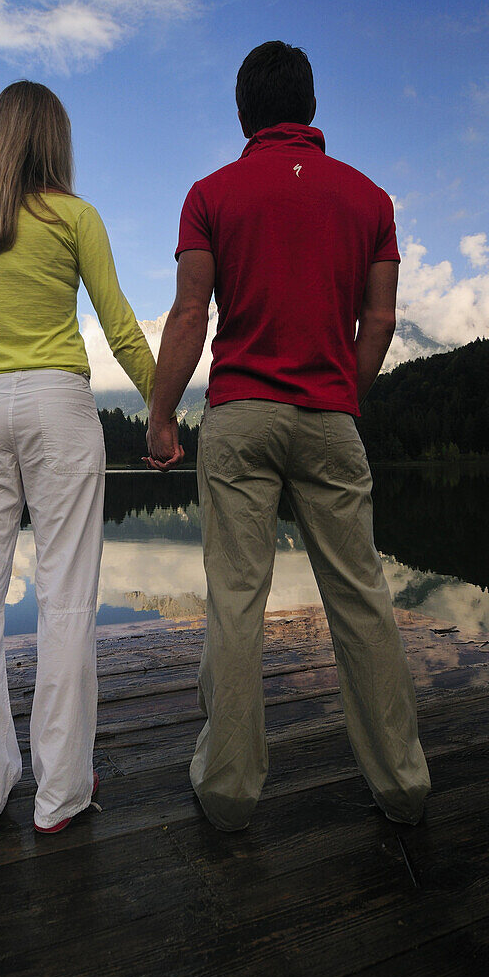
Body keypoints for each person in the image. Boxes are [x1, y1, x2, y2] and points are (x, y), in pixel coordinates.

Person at [146, 41, 431, 832]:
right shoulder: (370, 200)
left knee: (237, 600)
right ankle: (402, 784)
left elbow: (190, 315)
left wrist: (163, 414)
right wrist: (343, 394)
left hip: (239, 417)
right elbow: (380, 320)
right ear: (310, 108)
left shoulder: (210, 194)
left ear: (244, 112)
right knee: (363, 598)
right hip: (330, 417)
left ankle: (230, 793)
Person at [0, 81, 155, 839]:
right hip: (61, 407)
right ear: (55, 139)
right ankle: (59, 797)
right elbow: (119, 328)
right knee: (66, 602)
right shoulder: (76, 217)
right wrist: (165, 413)